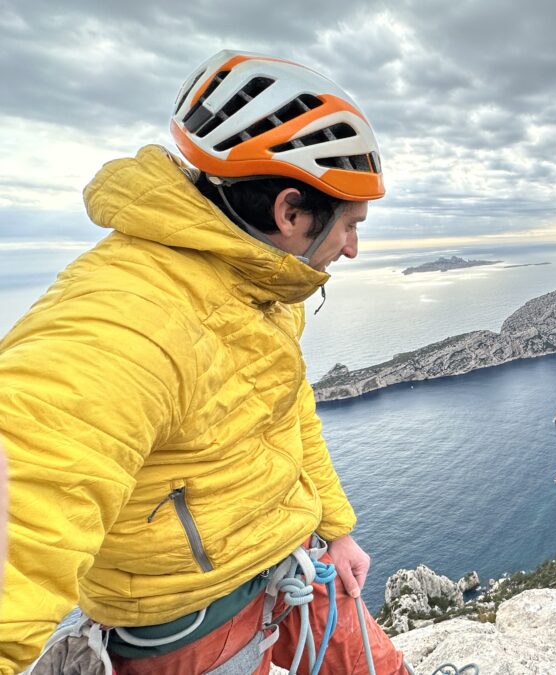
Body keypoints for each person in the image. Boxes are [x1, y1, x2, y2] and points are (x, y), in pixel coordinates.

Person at [0, 50, 407, 674]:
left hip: (293, 560)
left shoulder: (263, 283)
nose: (353, 248)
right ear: (290, 213)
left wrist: (337, 528)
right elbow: (27, 504)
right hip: (192, 627)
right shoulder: (126, 321)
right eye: (350, 225)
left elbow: (288, 411)